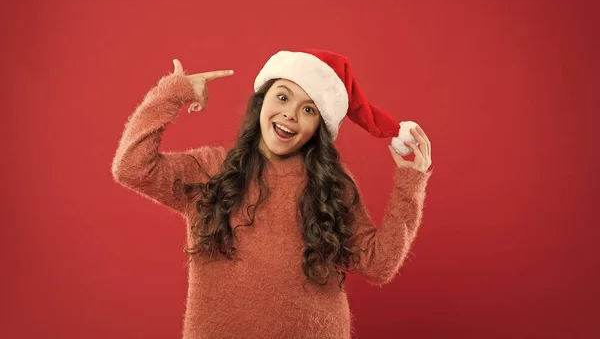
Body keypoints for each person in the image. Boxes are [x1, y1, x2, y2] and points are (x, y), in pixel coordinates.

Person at [111, 49, 433, 339]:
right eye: (282, 97)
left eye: (308, 109)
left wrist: (411, 184)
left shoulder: (332, 183)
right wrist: (172, 94)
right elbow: (133, 167)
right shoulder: (211, 170)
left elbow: (377, 265)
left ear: (319, 127)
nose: (291, 114)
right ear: (261, 101)